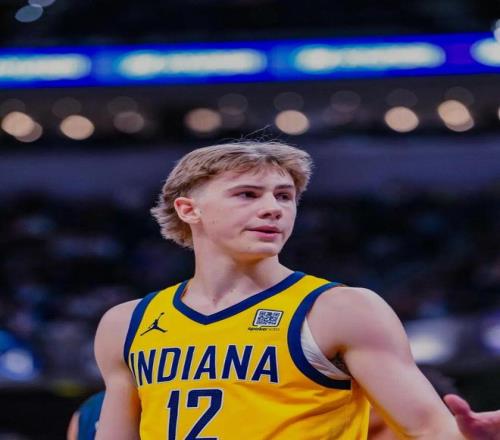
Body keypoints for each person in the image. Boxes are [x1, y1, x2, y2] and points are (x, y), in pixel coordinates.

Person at [94, 141, 500, 439]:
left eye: (284, 196)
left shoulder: (340, 309)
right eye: (247, 194)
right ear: (189, 209)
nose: (274, 208)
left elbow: (428, 428)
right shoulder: (127, 323)